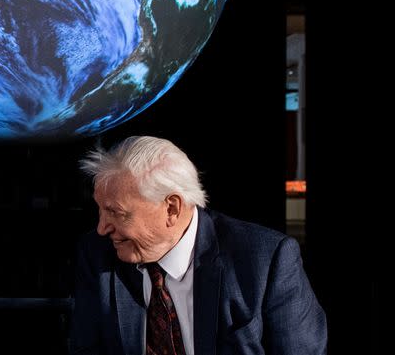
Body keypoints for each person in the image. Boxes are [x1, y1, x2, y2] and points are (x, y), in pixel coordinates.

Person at [70, 136, 326, 355]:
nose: (102, 228)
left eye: (116, 213)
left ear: (172, 208)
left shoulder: (266, 260)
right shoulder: (97, 254)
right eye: (100, 210)